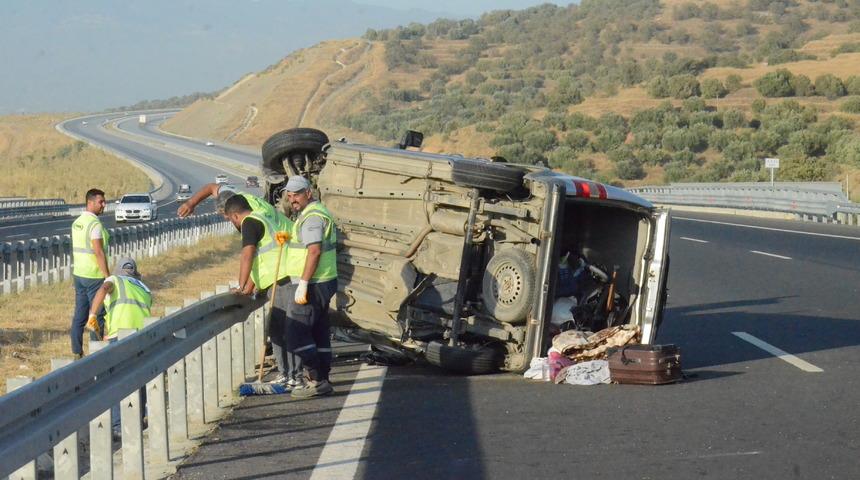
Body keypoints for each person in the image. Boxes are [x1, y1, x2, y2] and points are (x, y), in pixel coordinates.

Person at [222, 195, 304, 389]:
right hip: (276, 281)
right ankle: (286, 375)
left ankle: (295, 377)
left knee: (286, 329)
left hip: (282, 280)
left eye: (230, 220)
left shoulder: (249, 223)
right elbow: (260, 259)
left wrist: (241, 286)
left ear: (234, 215)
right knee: (276, 329)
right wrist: (251, 286)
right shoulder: (262, 218)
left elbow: (248, 255)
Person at [281, 176, 338, 399]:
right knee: (318, 332)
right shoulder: (316, 213)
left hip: (313, 284)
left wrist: (303, 283)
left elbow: (314, 251)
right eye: (290, 194)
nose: (292, 198)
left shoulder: (313, 218)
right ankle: (323, 379)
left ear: (309, 193)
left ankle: (314, 380)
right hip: (324, 281)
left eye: (297, 194)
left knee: (295, 331)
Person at [86, 257, 152, 437]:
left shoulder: (113, 280)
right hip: (143, 337)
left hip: (121, 338)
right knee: (140, 379)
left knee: (115, 380)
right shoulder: (144, 288)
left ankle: (117, 426)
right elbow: (134, 312)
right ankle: (138, 420)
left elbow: (104, 290)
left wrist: (93, 314)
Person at [70, 188, 110, 358]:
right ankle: (96, 354)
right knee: (96, 314)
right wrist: (108, 276)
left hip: (79, 274)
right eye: (101, 202)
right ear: (90, 202)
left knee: (80, 314)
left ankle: (77, 352)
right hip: (94, 276)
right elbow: (98, 252)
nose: (104, 205)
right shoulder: (94, 225)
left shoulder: (77, 222)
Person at [177, 182, 281, 225]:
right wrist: (191, 203)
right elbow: (211, 188)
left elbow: (248, 253)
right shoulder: (236, 195)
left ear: (235, 212)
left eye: (225, 214)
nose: (226, 218)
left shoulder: (251, 219)